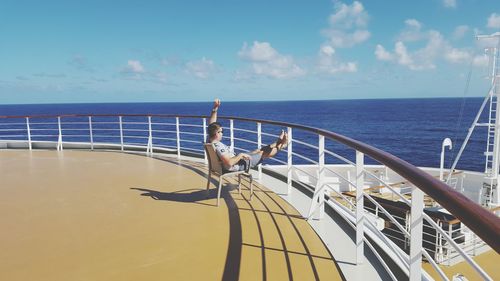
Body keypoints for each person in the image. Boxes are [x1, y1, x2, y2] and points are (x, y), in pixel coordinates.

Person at [207, 98, 288, 172]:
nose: (222, 133)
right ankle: (281, 146)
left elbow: (212, 124)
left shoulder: (210, 140)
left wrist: (215, 108)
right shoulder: (218, 146)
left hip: (235, 161)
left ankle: (278, 142)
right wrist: (240, 155)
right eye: (221, 131)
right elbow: (229, 162)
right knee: (263, 153)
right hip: (237, 165)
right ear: (216, 133)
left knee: (258, 150)